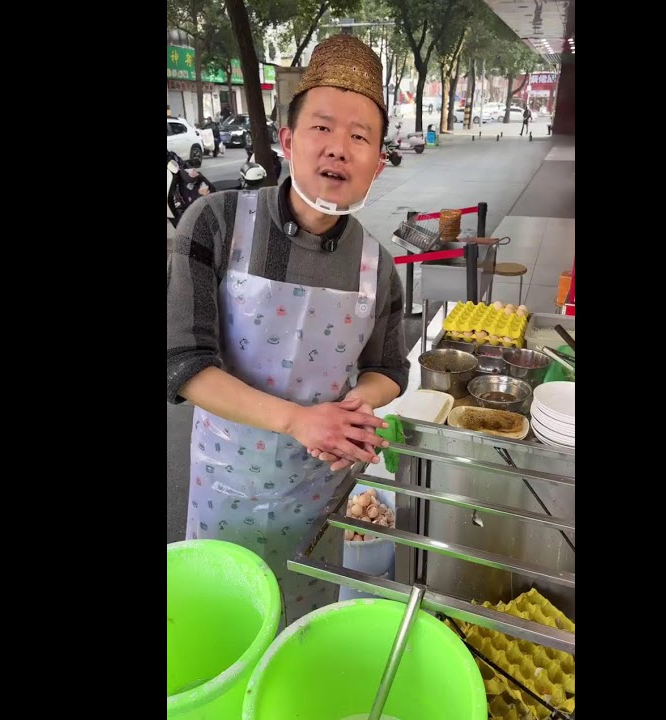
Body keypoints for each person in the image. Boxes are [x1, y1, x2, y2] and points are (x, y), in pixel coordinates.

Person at [167, 34, 409, 626]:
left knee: (300, 632)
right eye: (322, 128)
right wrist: (300, 419)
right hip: (227, 488)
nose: (339, 150)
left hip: (316, 497)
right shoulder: (215, 223)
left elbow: (391, 371)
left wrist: (358, 404)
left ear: (377, 163)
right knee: (222, 629)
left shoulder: (378, 266)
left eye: (360, 137)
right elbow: (182, 363)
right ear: (287, 140)